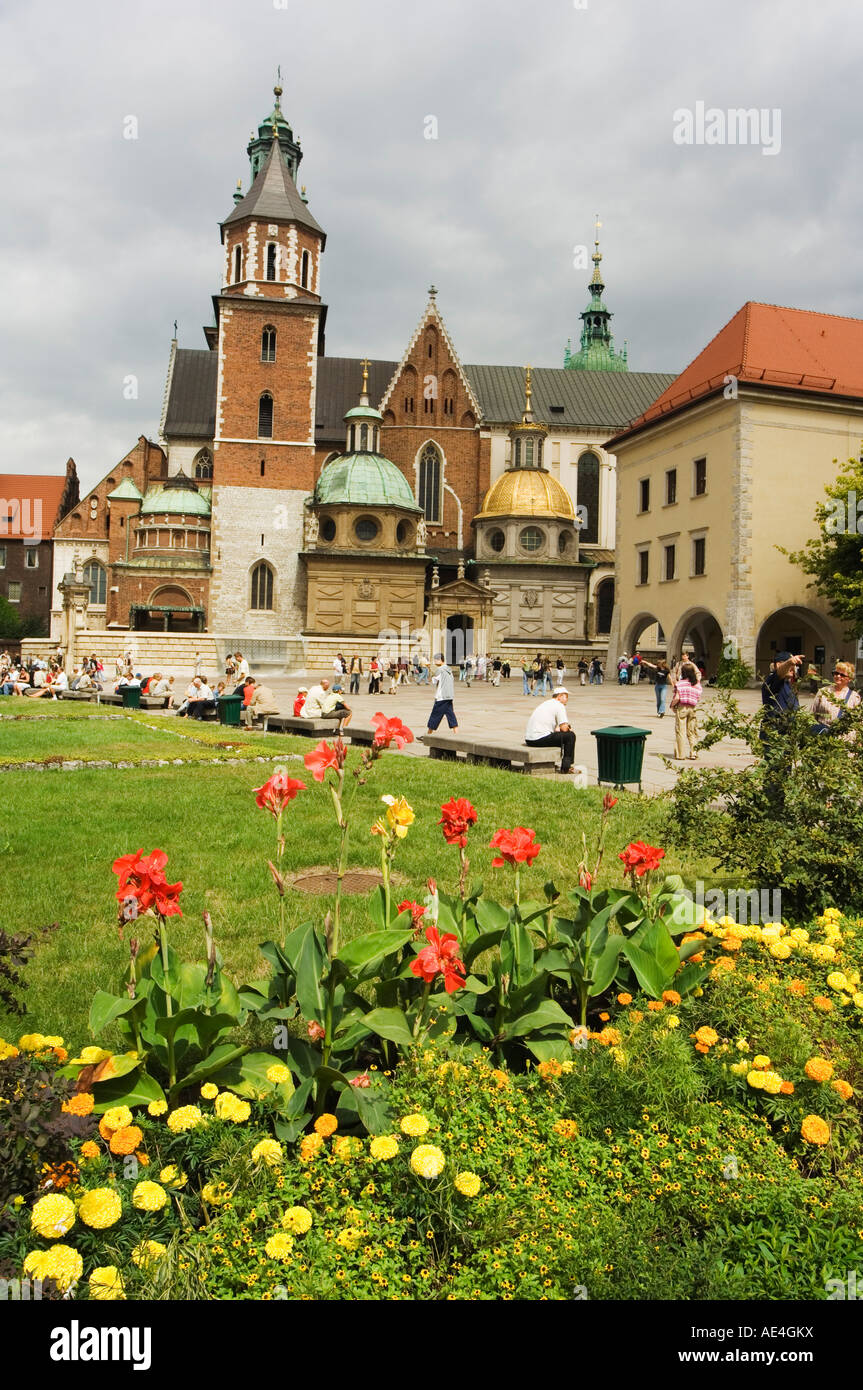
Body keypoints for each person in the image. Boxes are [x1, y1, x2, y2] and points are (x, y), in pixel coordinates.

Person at [525, 688, 575, 774]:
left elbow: (556, 729)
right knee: (570, 736)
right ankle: (567, 767)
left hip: (530, 739)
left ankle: (553, 762)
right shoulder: (559, 705)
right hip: (539, 738)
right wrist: (568, 728)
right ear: (559, 697)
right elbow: (564, 728)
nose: (567, 699)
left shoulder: (546, 703)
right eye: (565, 697)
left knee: (561, 737)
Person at [811, 660, 860, 731]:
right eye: (836, 673)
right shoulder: (823, 692)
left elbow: (858, 722)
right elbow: (812, 714)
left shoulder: (855, 697)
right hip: (823, 737)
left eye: (842, 675)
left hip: (846, 739)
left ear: (849, 679)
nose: (838, 676)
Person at [671, 661, 702, 760]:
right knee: (692, 731)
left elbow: (677, 698)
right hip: (693, 708)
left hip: (682, 708)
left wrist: (672, 705)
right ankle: (694, 753)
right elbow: (699, 698)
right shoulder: (696, 684)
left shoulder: (680, 683)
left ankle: (681, 755)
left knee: (680, 731)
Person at [427, 655, 458, 733]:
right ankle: (456, 732)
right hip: (449, 695)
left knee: (435, 715)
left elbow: (434, 681)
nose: (434, 662)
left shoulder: (440, 670)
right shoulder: (449, 669)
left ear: (440, 660)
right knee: (450, 714)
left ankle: (428, 734)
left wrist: (430, 670)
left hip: (441, 696)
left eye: (435, 660)